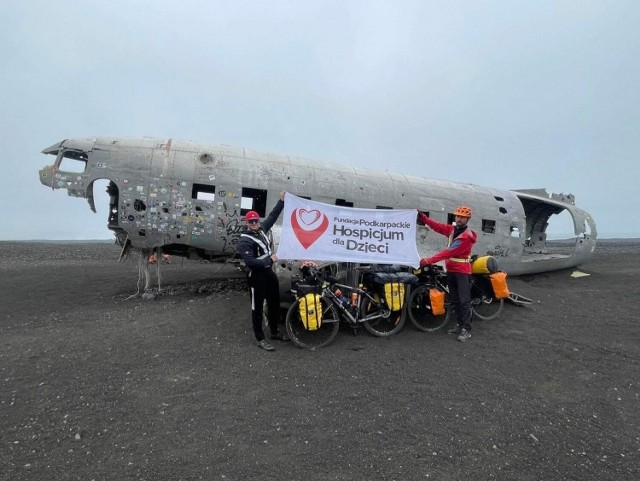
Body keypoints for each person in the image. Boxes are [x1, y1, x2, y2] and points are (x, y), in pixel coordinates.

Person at [418, 206, 477, 342]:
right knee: (455, 300)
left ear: (467, 219)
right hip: (451, 270)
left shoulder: (466, 237)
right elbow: (437, 226)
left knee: (464, 301)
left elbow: (448, 252)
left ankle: (466, 329)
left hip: (462, 271)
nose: (459, 219)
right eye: (457, 216)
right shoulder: (452, 230)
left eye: (462, 217)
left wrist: (429, 260)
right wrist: (424, 218)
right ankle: (460, 324)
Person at [237, 192, 288, 351]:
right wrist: (269, 260)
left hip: (268, 273)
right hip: (256, 276)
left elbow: (272, 217)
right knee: (257, 307)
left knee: (274, 302)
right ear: (247, 223)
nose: (254, 223)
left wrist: (281, 201)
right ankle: (260, 338)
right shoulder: (244, 241)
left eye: (256, 221)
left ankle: (274, 332)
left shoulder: (261, 229)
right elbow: (251, 263)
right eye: (251, 221)